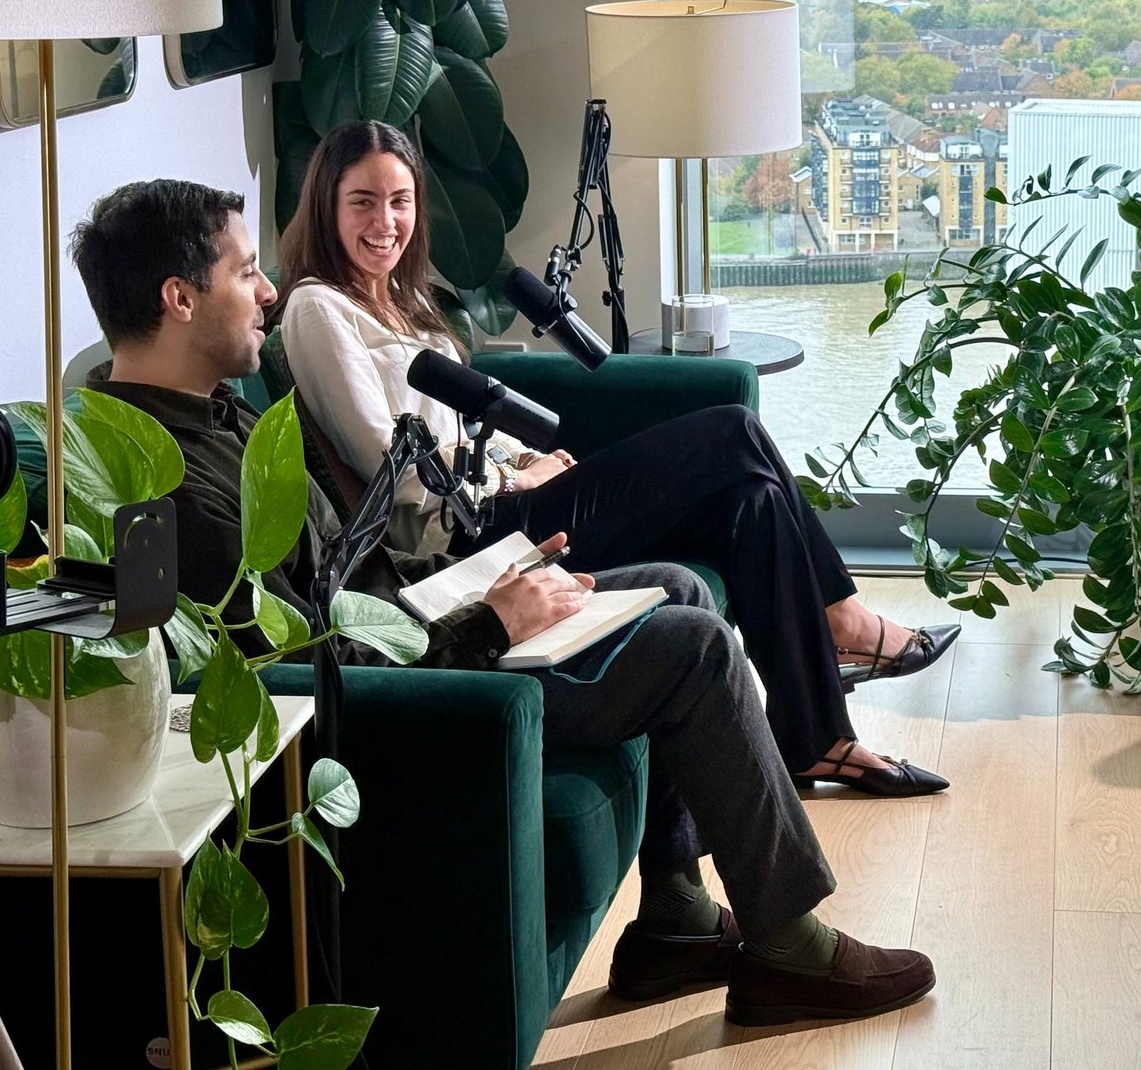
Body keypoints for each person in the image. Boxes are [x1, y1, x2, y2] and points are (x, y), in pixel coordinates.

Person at [68, 180, 935, 1025]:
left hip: (421, 623)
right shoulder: (166, 490)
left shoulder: (211, 416)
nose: (265, 291)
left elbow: (348, 583)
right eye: (244, 272)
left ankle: (674, 917)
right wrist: (494, 620)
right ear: (180, 298)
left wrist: (489, 585)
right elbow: (303, 674)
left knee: (670, 586)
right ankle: (789, 947)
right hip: (423, 700)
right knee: (694, 647)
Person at [272, 122, 955, 796]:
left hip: (495, 501)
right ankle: (846, 624)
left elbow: (460, 415)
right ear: (327, 205)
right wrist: (518, 473)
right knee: (731, 432)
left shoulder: (400, 298)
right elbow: (398, 467)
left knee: (751, 501)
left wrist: (529, 453)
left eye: (400, 201)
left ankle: (817, 742)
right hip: (462, 538)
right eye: (363, 201)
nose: (385, 222)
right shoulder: (318, 309)